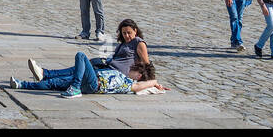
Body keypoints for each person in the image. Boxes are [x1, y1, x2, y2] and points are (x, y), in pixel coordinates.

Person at [9, 45, 168, 97]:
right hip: (90, 82)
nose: (130, 70)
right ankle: (21, 83)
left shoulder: (130, 85)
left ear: (138, 76)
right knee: (53, 84)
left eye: (133, 70)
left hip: (94, 84)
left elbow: (144, 85)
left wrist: (154, 83)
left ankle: (75, 87)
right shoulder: (124, 78)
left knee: (81, 56)